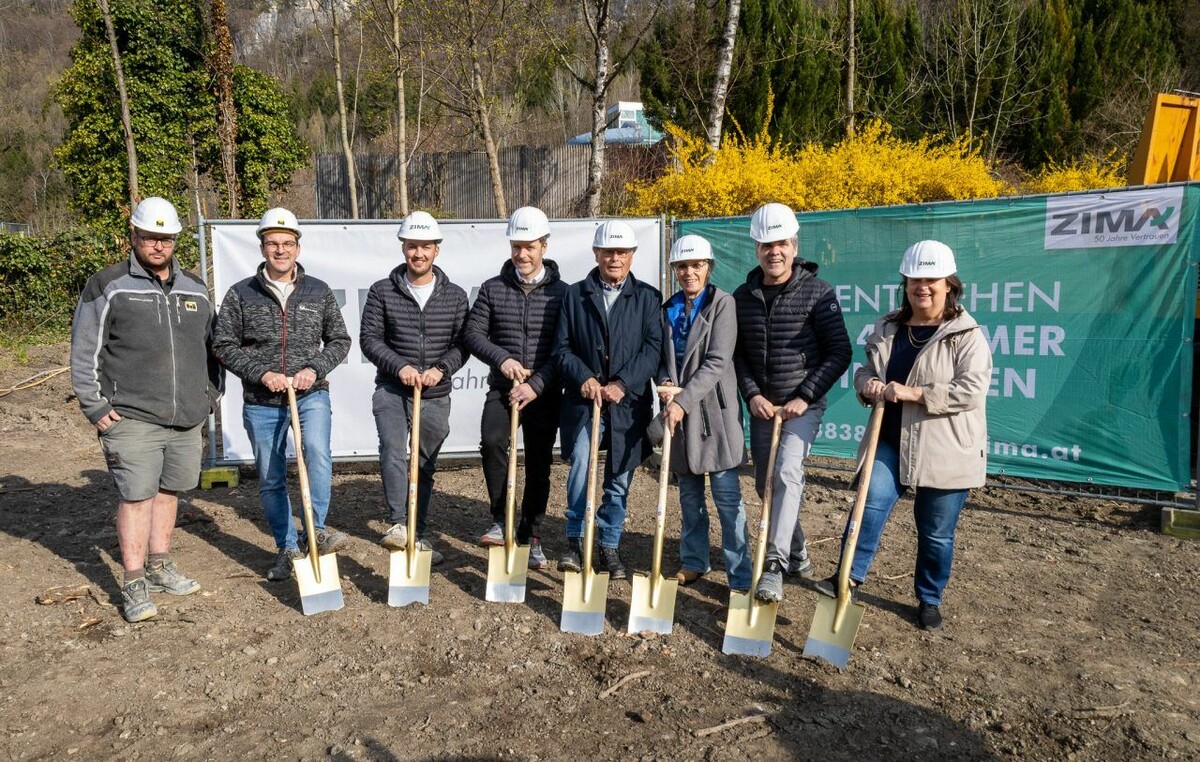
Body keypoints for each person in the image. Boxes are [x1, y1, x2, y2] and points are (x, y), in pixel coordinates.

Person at [813, 240, 992, 631]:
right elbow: (865, 370)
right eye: (914, 280)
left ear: (949, 285)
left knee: (936, 531)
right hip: (889, 439)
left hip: (944, 447)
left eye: (931, 280)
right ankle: (848, 578)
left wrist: (914, 393)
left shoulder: (966, 334)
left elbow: (970, 390)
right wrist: (869, 385)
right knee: (866, 508)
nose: (921, 287)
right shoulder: (890, 326)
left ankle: (929, 597)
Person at [70, 196, 222, 623]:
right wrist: (95, 405)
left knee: (170, 492)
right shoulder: (108, 285)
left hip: (187, 417)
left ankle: (159, 565)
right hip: (131, 416)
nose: (158, 245)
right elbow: (84, 351)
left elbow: (214, 351)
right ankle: (134, 582)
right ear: (133, 236)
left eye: (167, 238)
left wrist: (211, 395)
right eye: (150, 237)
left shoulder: (195, 288)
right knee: (136, 496)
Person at [212, 208, 352, 582]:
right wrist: (262, 373)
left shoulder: (318, 291)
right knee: (271, 476)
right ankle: (287, 546)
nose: (280, 250)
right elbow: (223, 344)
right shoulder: (241, 294)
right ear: (261, 247)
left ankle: (315, 531)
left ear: (298, 247)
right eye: (273, 243)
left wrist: (314, 370)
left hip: (310, 394)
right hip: (262, 401)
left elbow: (340, 340)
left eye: (287, 243)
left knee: (318, 457)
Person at [733, 202, 852, 604]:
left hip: (802, 406)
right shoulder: (742, 297)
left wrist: (805, 396)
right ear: (757, 249)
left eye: (781, 243)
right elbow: (739, 356)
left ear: (794, 245)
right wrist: (752, 394)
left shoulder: (819, 293)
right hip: (765, 407)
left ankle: (774, 565)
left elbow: (840, 351)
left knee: (786, 473)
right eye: (766, 245)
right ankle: (798, 551)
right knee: (768, 484)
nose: (774, 252)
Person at [553, 220, 663, 579]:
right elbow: (562, 348)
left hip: (627, 407)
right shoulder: (575, 294)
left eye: (622, 252)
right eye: (608, 252)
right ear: (596, 254)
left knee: (618, 479)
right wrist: (583, 377)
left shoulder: (647, 297)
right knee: (582, 467)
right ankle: (575, 541)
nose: (614, 259)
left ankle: (610, 546)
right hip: (585, 404)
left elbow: (652, 350)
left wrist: (623, 384)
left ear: (632, 255)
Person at [360, 211, 469, 565]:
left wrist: (441, 369)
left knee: (424, 463)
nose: (418, 253)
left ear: (437, 250)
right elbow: (370, 340)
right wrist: (401, 366)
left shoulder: (454, 296)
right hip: (392, 389)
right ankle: (396, 525)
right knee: (393, 450)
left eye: (425, 247)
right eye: (411, 247)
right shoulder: (381, 292)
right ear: (403, 248)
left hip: (435, 394)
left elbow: (463, 344)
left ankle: (418, 534)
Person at [464, 206, 568, 570]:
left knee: (539, 461)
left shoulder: (563, 294)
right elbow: (473, 333)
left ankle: (531, 533)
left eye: (529, 246)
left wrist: (537, 383)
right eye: (516, 246)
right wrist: (503, 360)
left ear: (544, 246)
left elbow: (565, 348)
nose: (522, 254)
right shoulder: (493, 288)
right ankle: (500, 517)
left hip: (543, 391)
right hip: (502, 386)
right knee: (492, 442)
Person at [656, 234, 752, 593]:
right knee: (690, 497)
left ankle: (740, 574)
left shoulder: (723, 305)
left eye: (696, 265)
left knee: (728, 499)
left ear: (708, 268)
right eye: (682, 266)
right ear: (675, 270)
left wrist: (682, 401)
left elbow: (716, 361)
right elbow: (662, 358)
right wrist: (665, 380)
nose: (689, 272)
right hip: (680, 418)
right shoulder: (668, 309)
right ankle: (694, 560)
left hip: (715, 416)